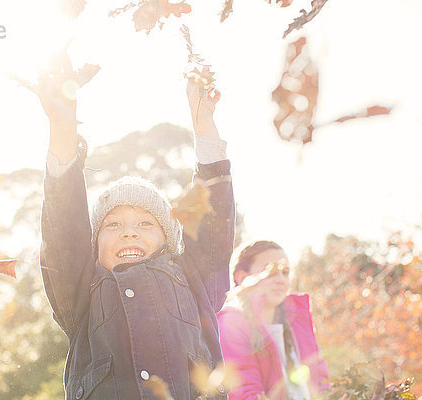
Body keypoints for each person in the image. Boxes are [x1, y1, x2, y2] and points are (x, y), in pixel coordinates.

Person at [29, 53, 235, 399]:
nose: (129, 231)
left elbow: (214, 222)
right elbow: (63, 228)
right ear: (92, 248)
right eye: (112, 225)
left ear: (169, 241)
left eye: (145, 222)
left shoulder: (192, 279)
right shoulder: (82, 294)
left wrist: (204, 126)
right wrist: (62, 126)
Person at [217, 241, 329, 400]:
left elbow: (322, 382)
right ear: (242, 278)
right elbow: (245, 393)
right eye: (270, 270)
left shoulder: (298, 322)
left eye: (285, 272)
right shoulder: (231, 324)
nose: (281, 279)